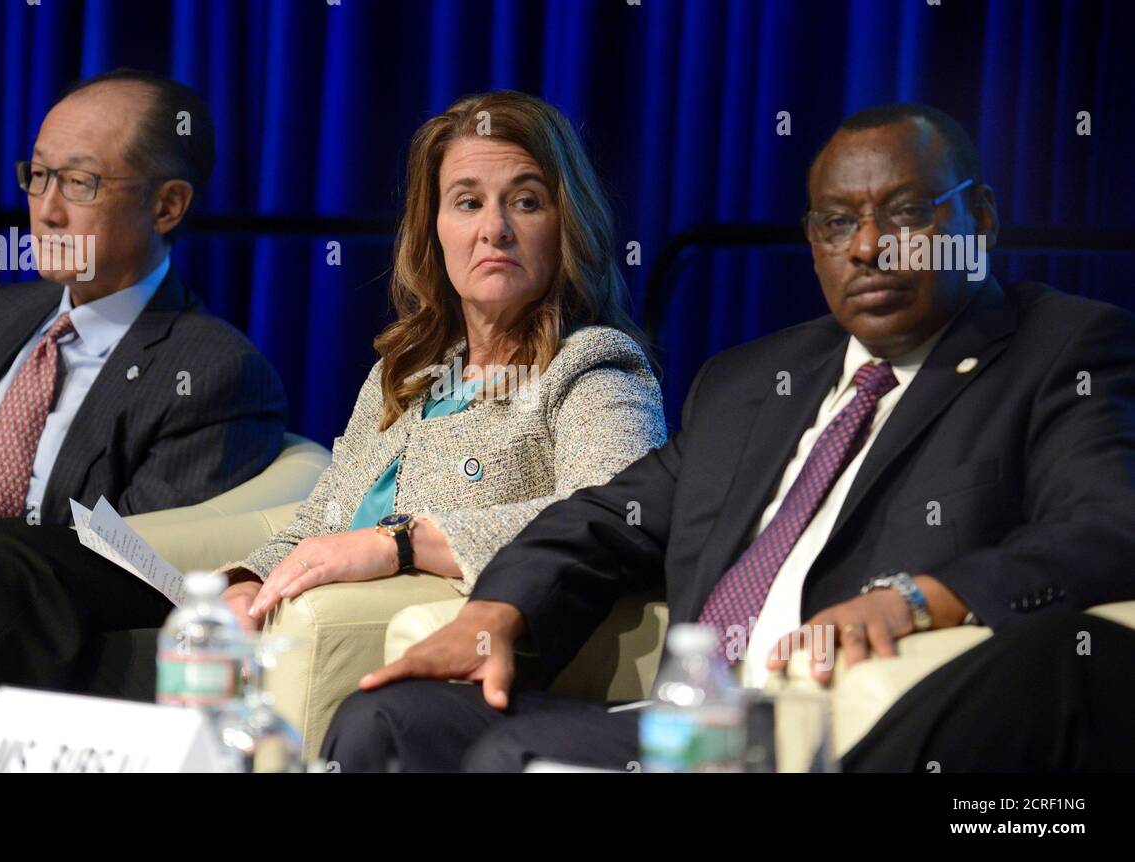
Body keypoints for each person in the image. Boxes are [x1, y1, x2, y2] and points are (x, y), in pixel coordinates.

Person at [322, 103, 1135, 772]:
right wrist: (497, 613)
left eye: (909, 212)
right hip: (690, 718)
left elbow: (1110, 524)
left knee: (516, 754)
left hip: (834, 725)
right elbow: (602, 519)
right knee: (388, 722)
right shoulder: (755, 380)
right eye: (836, 221)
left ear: (979, 218)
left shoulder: (1061, 352)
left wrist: (924, 596)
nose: (868, 245)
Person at [0, 90, 667, 714]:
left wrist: (403, 542)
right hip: (293, 600)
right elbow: (322, 522)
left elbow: (607, 527)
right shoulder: (412, 372)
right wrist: (248, 577)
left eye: (524, 200)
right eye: (467, 201)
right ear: (436, 230)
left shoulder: (594, 367)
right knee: (15, 553)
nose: (494, 228)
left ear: (568, 225)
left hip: (375, 619)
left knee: (15, 560)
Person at [0, 68, 287, 692]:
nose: (46, 212)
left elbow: (124, 558)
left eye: (80, 183)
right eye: (38, 176)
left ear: (167, 205)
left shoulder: (212, 369)